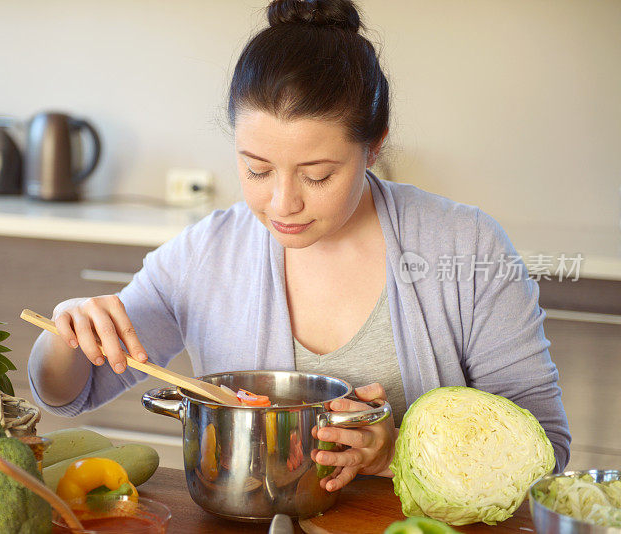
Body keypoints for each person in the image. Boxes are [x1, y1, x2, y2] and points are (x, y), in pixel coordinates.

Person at [28, 0, 570, 491]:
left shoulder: (466, 246)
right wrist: (69, 331)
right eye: (256, 169)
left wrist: (397, 452)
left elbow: (545, 446)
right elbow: (68, 392)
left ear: (373, 147)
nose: (282, 204)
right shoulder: (205, 255)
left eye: (316, 175)